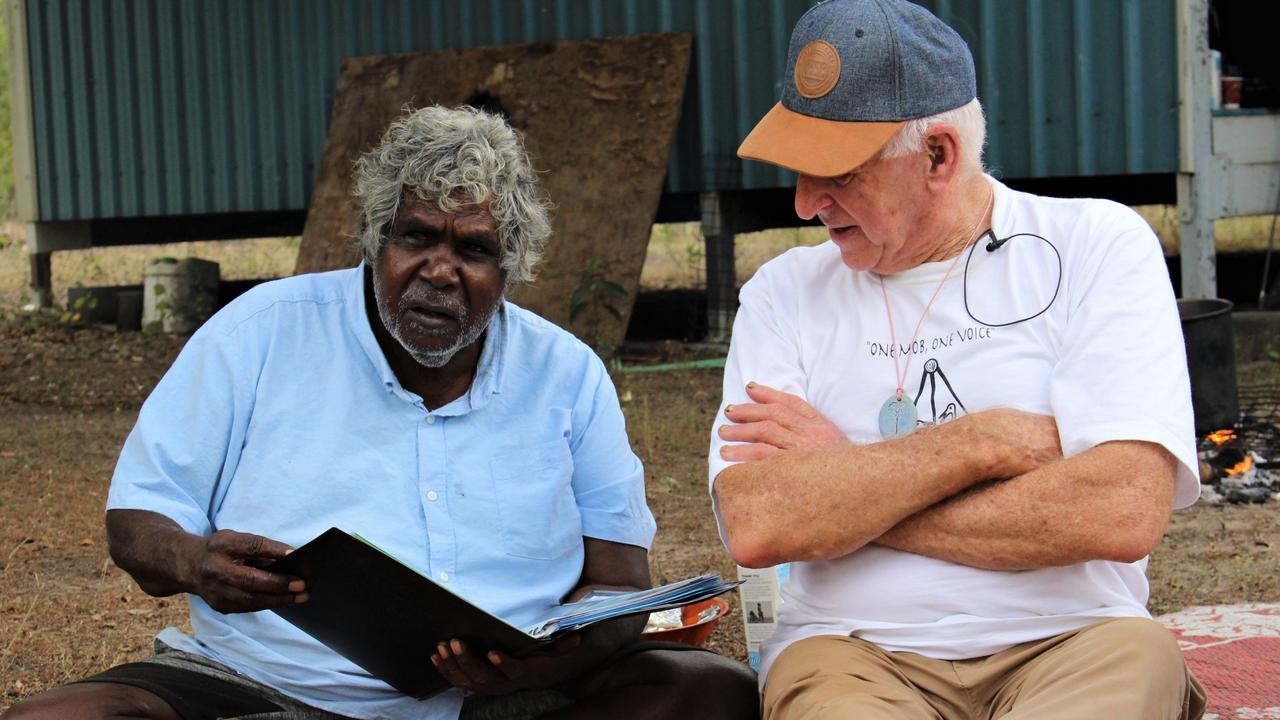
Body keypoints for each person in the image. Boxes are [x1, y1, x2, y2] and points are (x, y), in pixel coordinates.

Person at [6, 106, 758, 720]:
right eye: (416, 237)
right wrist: (193, 563)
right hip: (265, 690)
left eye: (474, 249)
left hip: (500, 702)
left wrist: (566, 652)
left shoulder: (568, 373)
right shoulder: (258, 333)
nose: (440, 270)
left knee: (708, 693)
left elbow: (621, 581)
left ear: (510, 269)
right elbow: (137, 521)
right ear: (375, 241)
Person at [708, 1, 1206, 718]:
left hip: (1077, 641)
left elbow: (1120, 509)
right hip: (852, 653)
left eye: (837, 173)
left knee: (1132, 665)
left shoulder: (1096, 245)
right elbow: (758, 524)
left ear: (938, 154)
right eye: (799, 169)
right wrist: (985, 442)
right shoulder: (782, 294)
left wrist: (846, 478)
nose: (804, 202)